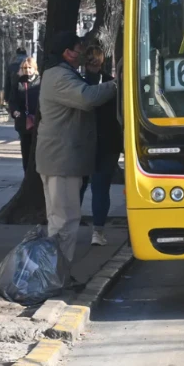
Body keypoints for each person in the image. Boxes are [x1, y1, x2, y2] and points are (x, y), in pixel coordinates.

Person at [36, 31, 117, 263]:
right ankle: (57, 272)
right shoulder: (60, 76)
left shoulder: (60, 73)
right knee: (65, 219)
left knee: (60, 218)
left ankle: (55, 271)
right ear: (68, 52)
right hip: (61, 159)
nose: (83, 53)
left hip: (60, 158)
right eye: (79, 49)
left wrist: (95, 76)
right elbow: (86, 98)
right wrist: (117, 84)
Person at [80, 45, 122, 246]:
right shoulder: (111, 84)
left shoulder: (77, 81)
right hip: (103, 141)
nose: (94, 64)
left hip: (100, 142)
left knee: (91, 187)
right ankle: (97, 230)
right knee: (97, 187)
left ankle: (95, 229)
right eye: (92, 60)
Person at [8, 57, 40, 173]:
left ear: (35, 68)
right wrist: (15, 111)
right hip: (24, 121)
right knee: (26, 149)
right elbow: (13, 100)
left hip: (38, 120)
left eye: (29, 68)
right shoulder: (18, 82)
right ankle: (27, 172)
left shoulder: (40, 82)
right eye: (24, 68)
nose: (27, 70)